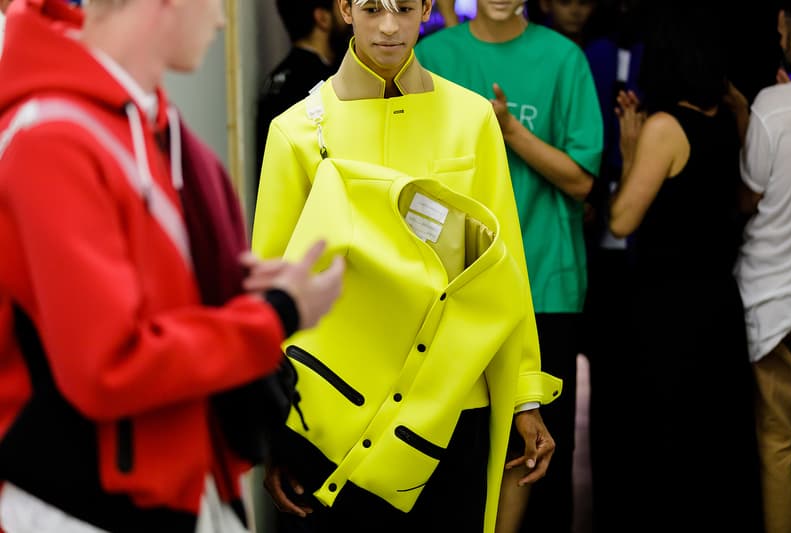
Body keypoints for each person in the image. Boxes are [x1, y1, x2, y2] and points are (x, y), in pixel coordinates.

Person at [0, 0, 345, 532]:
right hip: (87, 502)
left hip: (169, 486)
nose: (221, 21)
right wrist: (273, 315)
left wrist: (239, 295)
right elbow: (108, 366)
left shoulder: (137, 120)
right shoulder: (53, 136)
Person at [253, 1, 562, 532]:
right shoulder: (297, 132)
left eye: (404, 6)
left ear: (426, 7)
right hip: (334, 408)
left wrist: (524, 395)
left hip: (453, 399)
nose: (390, 26)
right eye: (372, 8)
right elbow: (273, 292)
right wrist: (277, 428)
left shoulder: (471, 120)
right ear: (345, 9)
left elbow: (502, 266)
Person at [414, 2, 603, 532]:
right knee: (458, 453)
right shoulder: (431, 56)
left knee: (540, 459)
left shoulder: (563, 58)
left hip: (545, 284)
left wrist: (509, 131)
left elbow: (582, 180)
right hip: (453, 291)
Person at [610, 3, 763, 531]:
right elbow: (746, 202)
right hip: (720, 302)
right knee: (716, 443)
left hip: (667, 310)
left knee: (667, 441)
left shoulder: (665, 127)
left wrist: (630, 150)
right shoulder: (729, 118)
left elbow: (623, 220)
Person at [735, 2, 791, 532]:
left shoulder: (774, 106)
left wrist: (746, 117)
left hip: (776, 300)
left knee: (778, 446)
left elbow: (747, 197)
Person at [255, 0, 351, 195]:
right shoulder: (325, 85)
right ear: (322, 18)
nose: (348, 17)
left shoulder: (276, 78)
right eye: (341, 7)